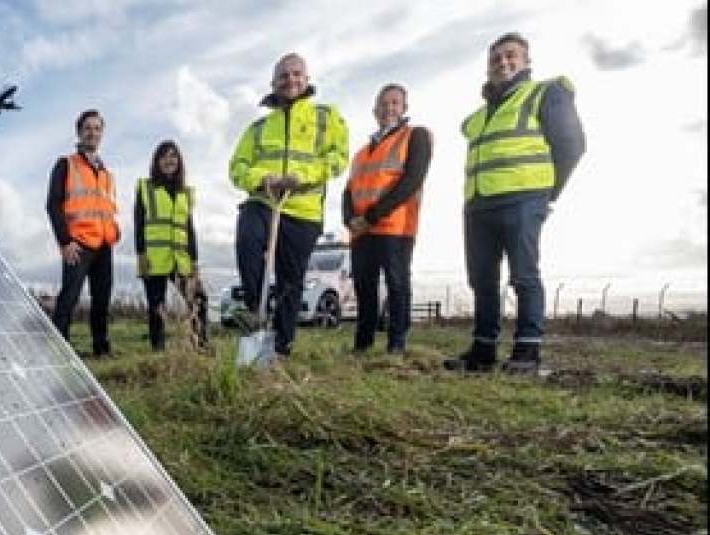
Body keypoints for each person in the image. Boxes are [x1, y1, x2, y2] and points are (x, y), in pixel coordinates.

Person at [445, 32, 586, 373]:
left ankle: (527, 352)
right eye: (495, 58)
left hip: (523, 199)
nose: (502, 63)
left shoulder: (545, 93)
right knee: (482, 280)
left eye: (511, 56)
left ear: (526, 62)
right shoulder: (480, 115)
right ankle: (483, 350)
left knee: (524, 276)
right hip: (479, 203)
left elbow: (571, 145)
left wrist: (546, 193)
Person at [229, 52, 349, 360]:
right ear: (273, 83)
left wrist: (301, 177)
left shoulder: (326, 117)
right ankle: (254, 311)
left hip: (303, 211)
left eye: (297, 74)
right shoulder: (257, 129)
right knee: (248, 235)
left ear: (307, 79)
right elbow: (237, 168)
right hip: (264, 201)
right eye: (283, 75)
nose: (290, 80)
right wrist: (262, 178)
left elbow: (337, 159)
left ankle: (281, 348)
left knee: (290, 281)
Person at [342, 83, 433, 354]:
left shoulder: (415, 136)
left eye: (394, 103)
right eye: (383, 104)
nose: (388, 108)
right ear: (374, 110)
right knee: (364, 287)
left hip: (395, 226)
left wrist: (372, 215)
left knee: (397, 284)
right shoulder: (361, 152)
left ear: (404, 108)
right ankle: (363, 343)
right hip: (361, 230)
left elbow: (412, 180)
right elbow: (349, 190)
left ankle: (396, 344)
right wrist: (349, 218)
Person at [47, 109, 119, 357]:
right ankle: (59, 348)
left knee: (102, 300)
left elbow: (107, 207)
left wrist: (114, 233)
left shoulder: (108, 174)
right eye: (88, 128)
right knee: (70, 296)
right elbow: (53, 204)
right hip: (77, 243)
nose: (93, 132)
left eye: (97, 128)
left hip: (104, 244)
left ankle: (101, 348)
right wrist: (65, 241)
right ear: (79, 132)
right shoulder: (66, 164)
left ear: (102, 134)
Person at [135, 140, 209, 351]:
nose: (169, 160)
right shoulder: (145, 187)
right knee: (156, 306)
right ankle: (158, 349)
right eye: (165, 156)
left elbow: (189, 228)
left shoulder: (185, 192)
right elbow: (139, 223)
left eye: (173, 156)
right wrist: (140, 254)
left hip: (181, 257)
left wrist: (194, 260)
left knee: (198, 299)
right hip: (154, 257)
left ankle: (201, 344)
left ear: (179, 161)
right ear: (157, 161)